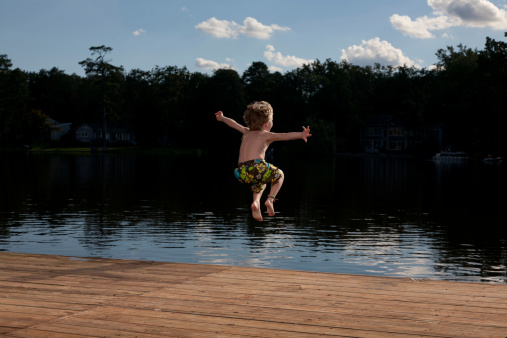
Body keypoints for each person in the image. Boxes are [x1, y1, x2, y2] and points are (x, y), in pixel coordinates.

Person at [215, 101, 312, 221]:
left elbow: (233, 124)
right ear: (266, 124)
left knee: (259, 182)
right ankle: (270, 200)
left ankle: (255, 203)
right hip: (256, 166)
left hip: (240, 172)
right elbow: (286, 136)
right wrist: (301, 134)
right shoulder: (266, 135)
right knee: (280, 175)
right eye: (272, 120)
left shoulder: (246, 131)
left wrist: (222, 118)